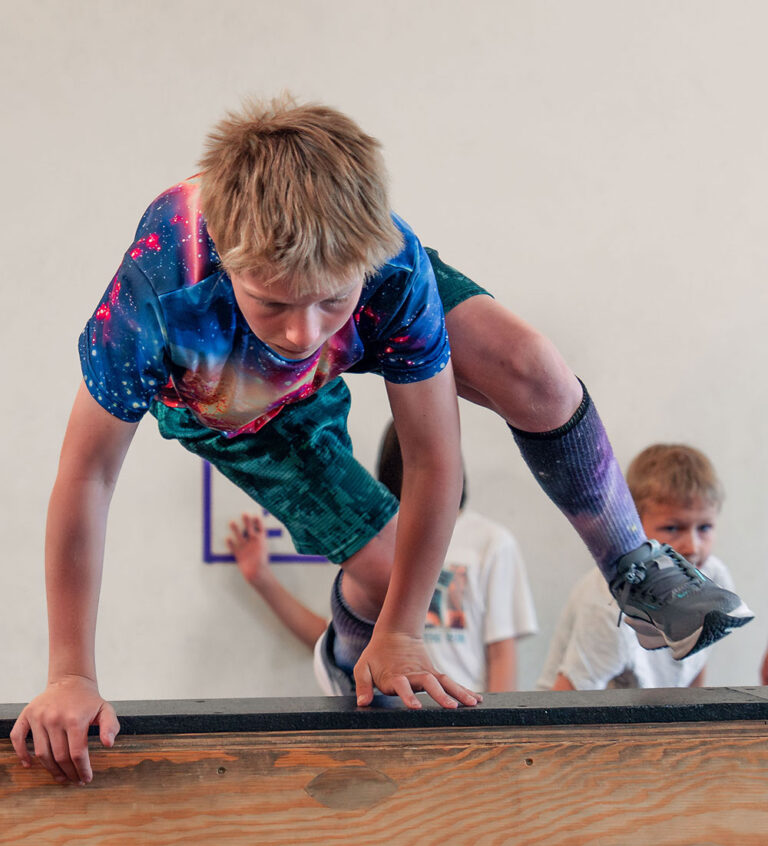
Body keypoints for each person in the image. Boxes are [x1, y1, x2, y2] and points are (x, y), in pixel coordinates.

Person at [11, 97, 751, 786]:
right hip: (235, 398)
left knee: (537, 372)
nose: (305, 333)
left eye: (328, 301)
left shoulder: (390, 265)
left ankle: (632, 568)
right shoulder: (158, 291)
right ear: (233, 261)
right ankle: (351, 654)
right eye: (276, 303)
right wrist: (72, 671)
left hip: (363, 304)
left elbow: (432, 455)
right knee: (388, 566)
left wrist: (406, 630)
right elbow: (87, 477)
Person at [227, 423, 537, 692]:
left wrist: (496, 735)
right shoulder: (372, 543)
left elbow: (501, 652)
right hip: (385, 719)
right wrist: (261, 578)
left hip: (460, 722)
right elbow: (340, 642)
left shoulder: (490, 542)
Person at [537, 445, 740, 691]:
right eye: (673, 528)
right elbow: (566, 699)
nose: (692, 546)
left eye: (705, 528)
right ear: (630, 524)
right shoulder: (608, 606)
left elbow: (695, 664)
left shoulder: (713, 576)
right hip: (582, 717)